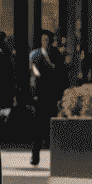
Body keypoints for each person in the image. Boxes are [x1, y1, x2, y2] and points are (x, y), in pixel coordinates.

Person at [27, 30, 66, 167]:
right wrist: (33, 94)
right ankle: (35, 156)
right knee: (37, 127)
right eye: (43, 39)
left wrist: (60, 94)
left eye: (48, 39)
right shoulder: (34, 55)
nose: (46, 42)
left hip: (52, 95)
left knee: (52, 126)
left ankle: (55, 157)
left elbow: (61, 75)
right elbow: (33, 76)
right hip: (39, 95)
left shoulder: (56, 54)